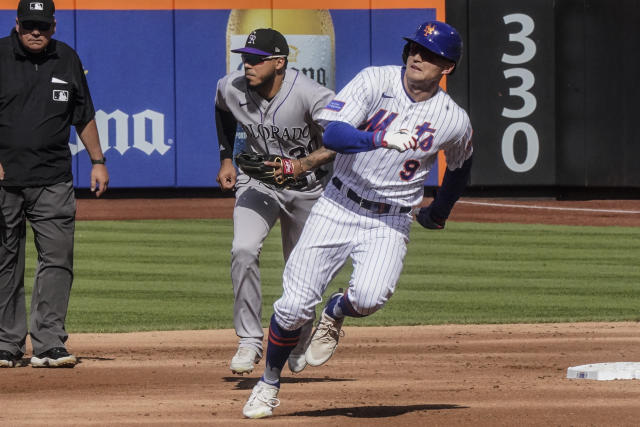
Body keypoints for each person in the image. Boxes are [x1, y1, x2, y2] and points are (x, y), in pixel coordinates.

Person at [242, 20, 473, 418]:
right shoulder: (374, 81)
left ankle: (335, 312)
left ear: (447, 67)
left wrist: (440, 211)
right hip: (338, 205)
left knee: (368, 298)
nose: (418, 56)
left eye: (431, 54)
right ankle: (269, 383)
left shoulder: (453, 119)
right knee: (294, 307)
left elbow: (461, 165)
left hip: (390, 220)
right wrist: (377, 138)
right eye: (415, 48)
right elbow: (333, 136)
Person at [214, 28, 335, 375]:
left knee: (302, 270)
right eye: (244, 57)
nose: (246, 64)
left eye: (255, 59)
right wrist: (226, 158)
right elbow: (221, 108)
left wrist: (305, 164)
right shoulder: (231, 86)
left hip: (307, 188)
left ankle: (298, 336)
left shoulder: (312, 95)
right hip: (258, 182)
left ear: (279, 62)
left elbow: (339, 140)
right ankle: (250, 340)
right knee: (243, 249)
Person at [0, 0, 108, 368]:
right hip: (5, 181)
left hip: (53, 178)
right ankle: (5, 343)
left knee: (57, 259)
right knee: (4, 260)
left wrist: (97, 161)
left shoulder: (67, 58)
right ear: (16, 24)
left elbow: (84, 113)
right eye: (29, 25)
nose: (35, 32)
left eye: (42, 26)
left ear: (54, 26)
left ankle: (48, 343)